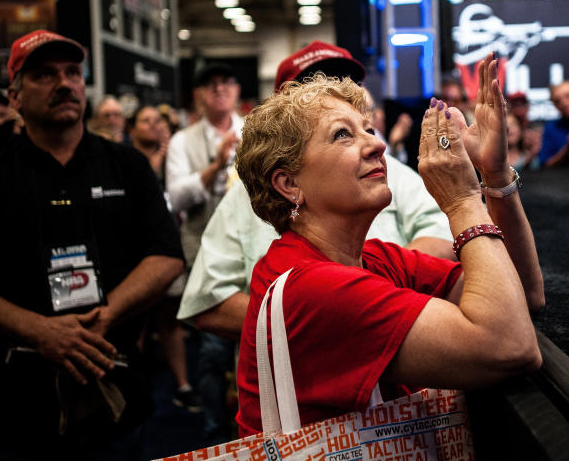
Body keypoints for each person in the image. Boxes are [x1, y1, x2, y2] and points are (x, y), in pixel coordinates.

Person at [233, 56, 544, 435]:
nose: (377, 145)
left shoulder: (374, 258)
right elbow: (509, 346)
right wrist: (462, 201)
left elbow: (522, 293)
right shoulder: (313, 287)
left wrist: (493, 174)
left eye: (368, 128)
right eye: (342, 134)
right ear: (289, 185)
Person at [0, 29, 184, 461]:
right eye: (44, 75)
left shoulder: (126, 165)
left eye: (72, 72)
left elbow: (166, 254)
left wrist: (106, 316)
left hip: (111, 396)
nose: (64, 83)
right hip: (3, 412)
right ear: (15, 97)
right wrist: (36, 330)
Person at [178, 41, 454, 336]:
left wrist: (364, 300)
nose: (334, 95)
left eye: (344, 83)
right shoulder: (245, 196)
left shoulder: (386, 173)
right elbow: (208, 301)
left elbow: (442, 236)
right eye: (314, 86)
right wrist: (311, 320)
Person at [164, 63, 244, 433]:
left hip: (252, 251)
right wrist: (214, 165)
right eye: (211, 85)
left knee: (258, 344)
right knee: (212, 349)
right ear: (198, 95)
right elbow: (176, 198)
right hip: (206, 255)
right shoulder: (183, 140)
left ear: (236, 90)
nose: (219, 90)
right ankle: (216, 430)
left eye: (226, 83)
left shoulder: (253, 130)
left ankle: (254, 426)